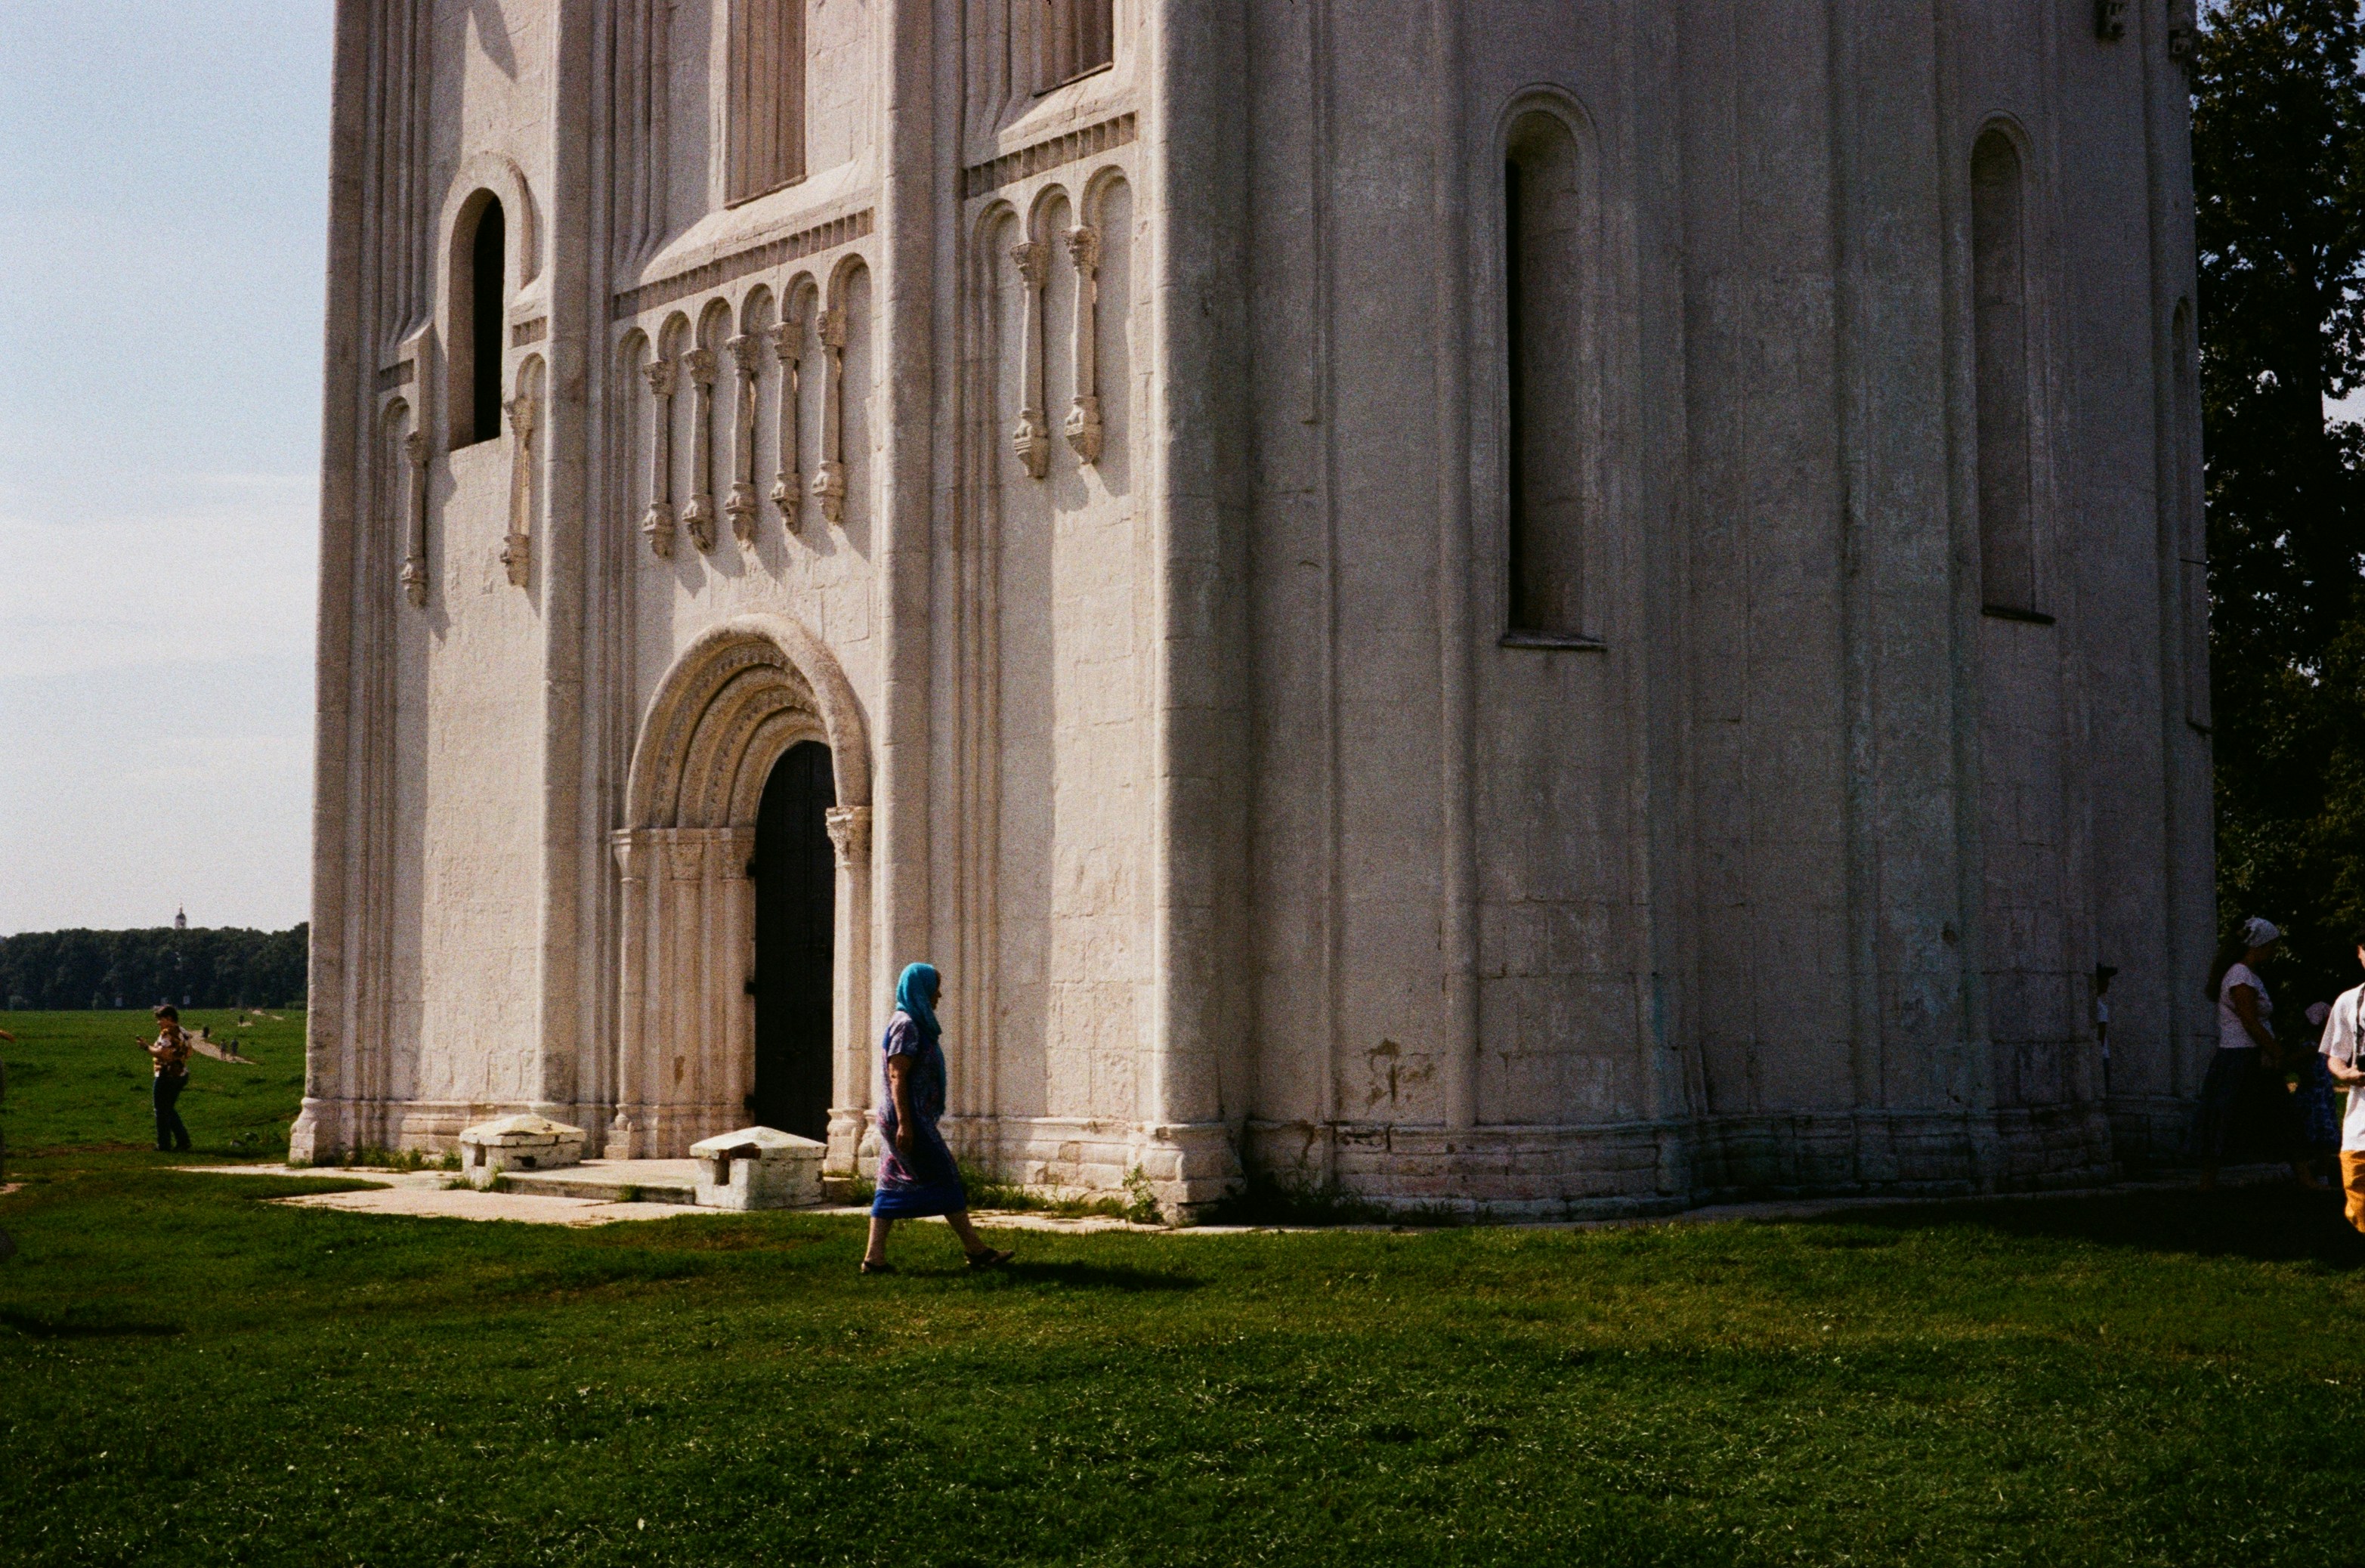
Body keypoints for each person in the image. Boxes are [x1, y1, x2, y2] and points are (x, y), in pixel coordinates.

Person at [859, 963, 1012, 1276]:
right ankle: (977, 1251)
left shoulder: (913, 1023)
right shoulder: (907, 1025)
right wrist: (906, 1123)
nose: (938, 995)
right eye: (934, 988)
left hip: (907, 1116)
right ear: (919, 989)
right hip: (908, 1117)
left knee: (891, 1181)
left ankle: (874, 1259)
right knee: (944, 1175)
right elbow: (897, 1075)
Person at [2194, 918, 2321, 1192]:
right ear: (2259, 945)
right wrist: (2276, 1051)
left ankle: (2304, 1177)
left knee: (2279, 1114)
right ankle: (2207, 1182)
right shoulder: (2240, 976)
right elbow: (2250, 1021)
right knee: (2229, 1118)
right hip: (2241, 1057)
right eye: (2272, 945)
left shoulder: (2248, 975)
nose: (2274, 951)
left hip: (2248, 1055)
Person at [2319, 929, 2365, 1234]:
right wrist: (2346, 1074)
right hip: (2360, 1121)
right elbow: (2335, 1055)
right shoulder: (2349, 1001)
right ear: (2360, 952)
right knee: (2358, 1196)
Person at [143, 1004, 193, 1153]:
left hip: (166, 1075)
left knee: (160, 1110)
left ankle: (164, 1144)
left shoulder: (168, 1033)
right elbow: (189, 1053)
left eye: (160, 1019)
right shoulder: (183, 1032)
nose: (158, 1022)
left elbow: (163, 1054)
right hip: (181, 1073)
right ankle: (183, 1141)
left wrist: (146, 1047)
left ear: (169, 1018)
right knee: (168, 1109)